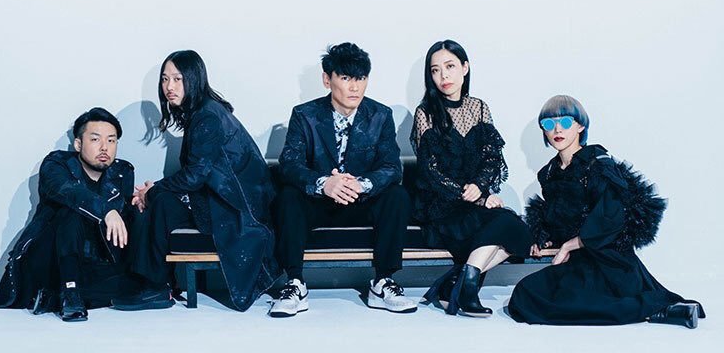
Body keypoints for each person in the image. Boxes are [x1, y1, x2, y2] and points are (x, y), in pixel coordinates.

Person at [508, 95, 704, 328]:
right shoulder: (549, 173)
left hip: (607, 255)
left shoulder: (597, 163)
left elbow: (612, 215)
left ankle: (661, 310)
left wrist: (569, 245)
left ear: (580, 126)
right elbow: (560, 217)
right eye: (549, 124)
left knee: (569, 299)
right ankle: (661, 310)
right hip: (579, 259)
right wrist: (543, 237)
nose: (557, 130)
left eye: (566, 122)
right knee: (524, 296)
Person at [113, 50, 280, 312]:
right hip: (222, 199)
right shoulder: (203, 113)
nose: (169, 87)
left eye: (177, 79)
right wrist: (153, 190)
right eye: (165, 79)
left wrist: (153, 190)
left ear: (194, 79)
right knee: (158, 200)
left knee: (161, 202)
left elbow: (194, 176)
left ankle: (156, 287)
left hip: (236, 208)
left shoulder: (207, 117)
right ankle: (154, 284)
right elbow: (197, 174)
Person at [270, 42, 416, 317]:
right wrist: (324, 183)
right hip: (319, 204)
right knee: (288, 196)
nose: (354, 87)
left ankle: (383, 282)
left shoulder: (380, 115)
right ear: (327, 80)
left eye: (361, 78)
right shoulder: (305, 115)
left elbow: (391, 167)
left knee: (397, 195)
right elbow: (290, 164)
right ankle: (295, 283)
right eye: (346, 78)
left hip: (362, 202)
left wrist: (361, 184)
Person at [0, 108, 141, 321]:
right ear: (78, 144)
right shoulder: (57, 164)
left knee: (143, 286)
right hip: (50, 259)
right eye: (95, 139)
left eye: (111, 141)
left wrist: (143, 199)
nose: (104, 147)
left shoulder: (122, 172)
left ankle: (55, 297)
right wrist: (106, 210)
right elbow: (69, 192)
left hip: (90, 264)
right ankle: (70, 292)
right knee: (71, 212)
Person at [411, 40, 532, 317]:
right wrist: (470, 195)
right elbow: (430, 170)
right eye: (435, 70)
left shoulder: (479, 108)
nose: (444, 76)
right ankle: (465, 289)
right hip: (441, 205)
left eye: (450, 66)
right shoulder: (425, 113)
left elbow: (491, 157)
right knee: (499, 228)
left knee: (517, 229)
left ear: (465, 68)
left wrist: (480, 189)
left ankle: (458, 284)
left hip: (474, 198)